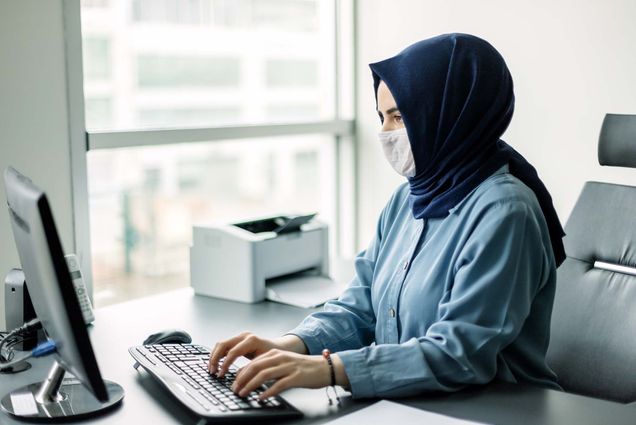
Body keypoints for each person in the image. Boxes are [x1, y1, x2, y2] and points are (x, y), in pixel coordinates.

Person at [208, 33, 566, 400]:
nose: (385, 134)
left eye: (398, 116)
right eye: (382, 117)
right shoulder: (409, 198)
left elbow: (461, 354)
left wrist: (330, 370)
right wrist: (289, 346)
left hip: (497, 408)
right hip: (411, 400)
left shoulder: (505, 211)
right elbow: (362, 305)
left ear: (450, 111)